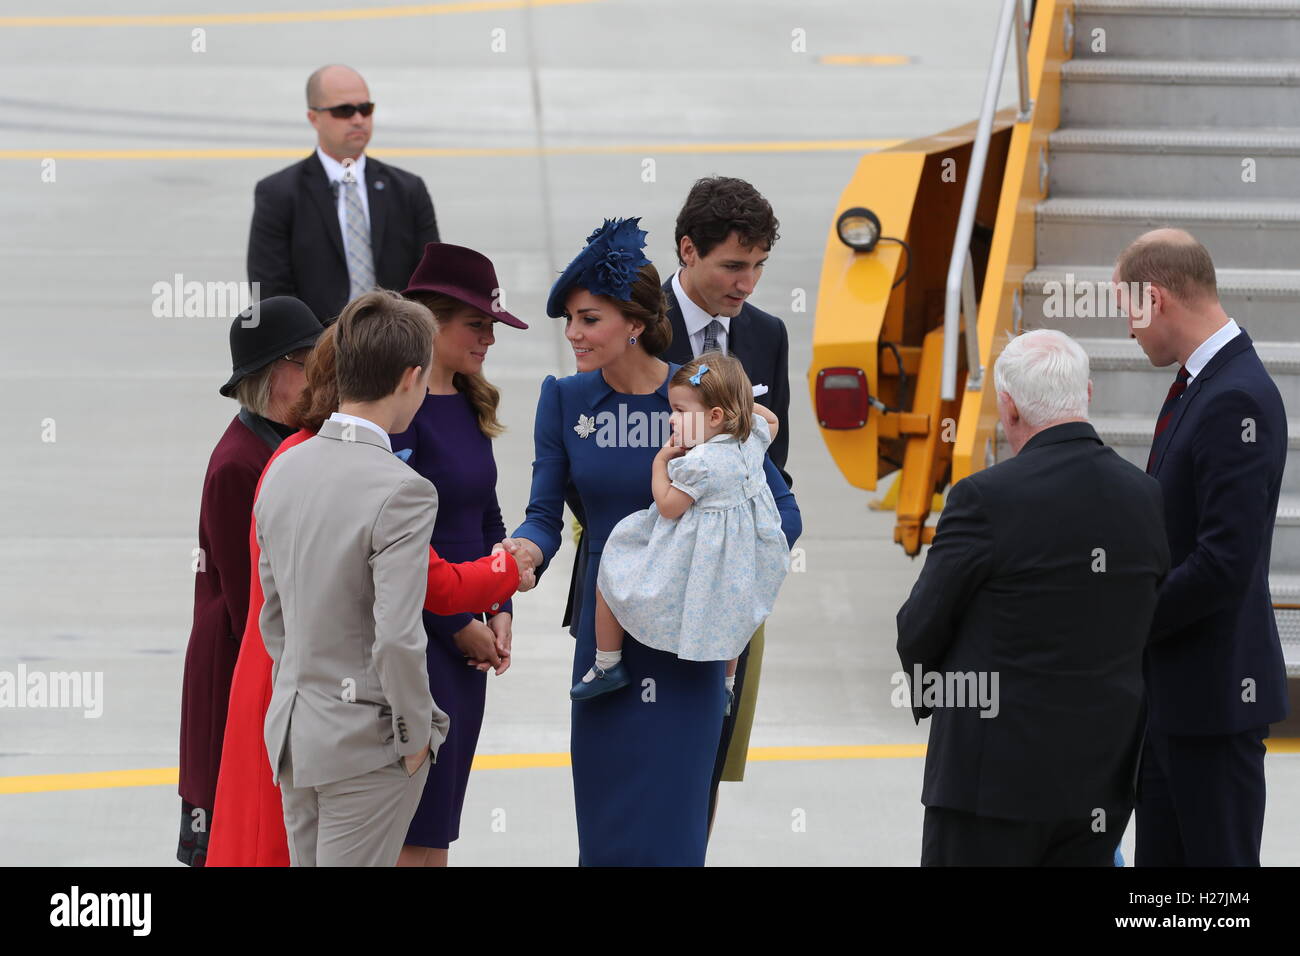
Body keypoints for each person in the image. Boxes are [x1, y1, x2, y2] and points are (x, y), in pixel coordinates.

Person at [496, 218, 801, 866]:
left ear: (633, 322)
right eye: (569, 323)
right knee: (607, 830)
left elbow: (782, 514)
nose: (573, 335)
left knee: (673, 831)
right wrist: (522, 554)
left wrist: (720, 561)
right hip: (606, 643)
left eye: (588, 319)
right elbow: (543, 516)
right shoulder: (564, 399)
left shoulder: (697, 397)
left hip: (690, 638)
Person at [205, 321, 527, 867]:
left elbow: (274, 618)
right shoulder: (401, 488)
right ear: (410, 377)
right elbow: (399, 637)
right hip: (365, 747)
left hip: (295, 732)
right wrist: (413, 737)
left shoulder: (284, 464)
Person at [897, 329, 1169, 866]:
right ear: (1087, 393)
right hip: (1099, 779)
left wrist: (938, 691)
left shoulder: (984, 498)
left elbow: (920, 625)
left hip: (988, 783)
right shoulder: (1145, 497)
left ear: (1009, 407)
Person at [1117, 228, 1290, 867]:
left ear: (1155, 299)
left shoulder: (1234, 396)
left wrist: (1124, 619)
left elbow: (1224, 563)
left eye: (1128, 314)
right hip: (1179, 700)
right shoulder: (1204, 385)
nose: (1128, 334)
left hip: (1214, 703)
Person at [391, 243, 530, 867]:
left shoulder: (470, 400)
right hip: (421, 642)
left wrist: (499, 609)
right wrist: (458, 626)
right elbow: (396, 541)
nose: (488, 341)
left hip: (469, 640)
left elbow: (487, 517)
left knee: (438, 825)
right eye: (477, 325)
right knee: (409, 827)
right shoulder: (402, 410)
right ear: (430, 320)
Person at [658, 175, 790, 827]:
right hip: (650, 587)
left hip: (731, 591)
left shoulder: (766, 336)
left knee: (705, 772)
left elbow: (776, 468)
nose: (747, 283)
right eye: (734, 266)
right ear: (688, 250)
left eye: (760, 266)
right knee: (642, 778)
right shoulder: (635, 329)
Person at [177, 295, 322, 867]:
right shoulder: (239, 463)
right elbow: (250, 605)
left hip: (261, 657)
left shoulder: (283, 442)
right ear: (275, 374)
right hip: (236, 661)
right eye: (309, 362)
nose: (320, 375)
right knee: (230, 821)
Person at [579, 354, 790, 710]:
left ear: (715, 417)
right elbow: (771, 419)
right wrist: (739, 401)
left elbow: (668, 506)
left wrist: (660, 461)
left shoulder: (701, 462)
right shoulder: (751, 439)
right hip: (741, 559)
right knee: (735, 619)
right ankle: (725, 685)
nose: (671, 418)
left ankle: (607, 663)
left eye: (679, 410)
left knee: (614, 570)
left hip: (700, 557)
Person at [247, 64, 440, 323]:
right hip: (316, 354)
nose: (358, 119)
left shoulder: (408, 190)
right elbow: (272, 292)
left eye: (365, 109)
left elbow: (431, 283)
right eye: (344, 110)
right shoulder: (278, 194)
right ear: (313, 118)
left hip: (399, 349)